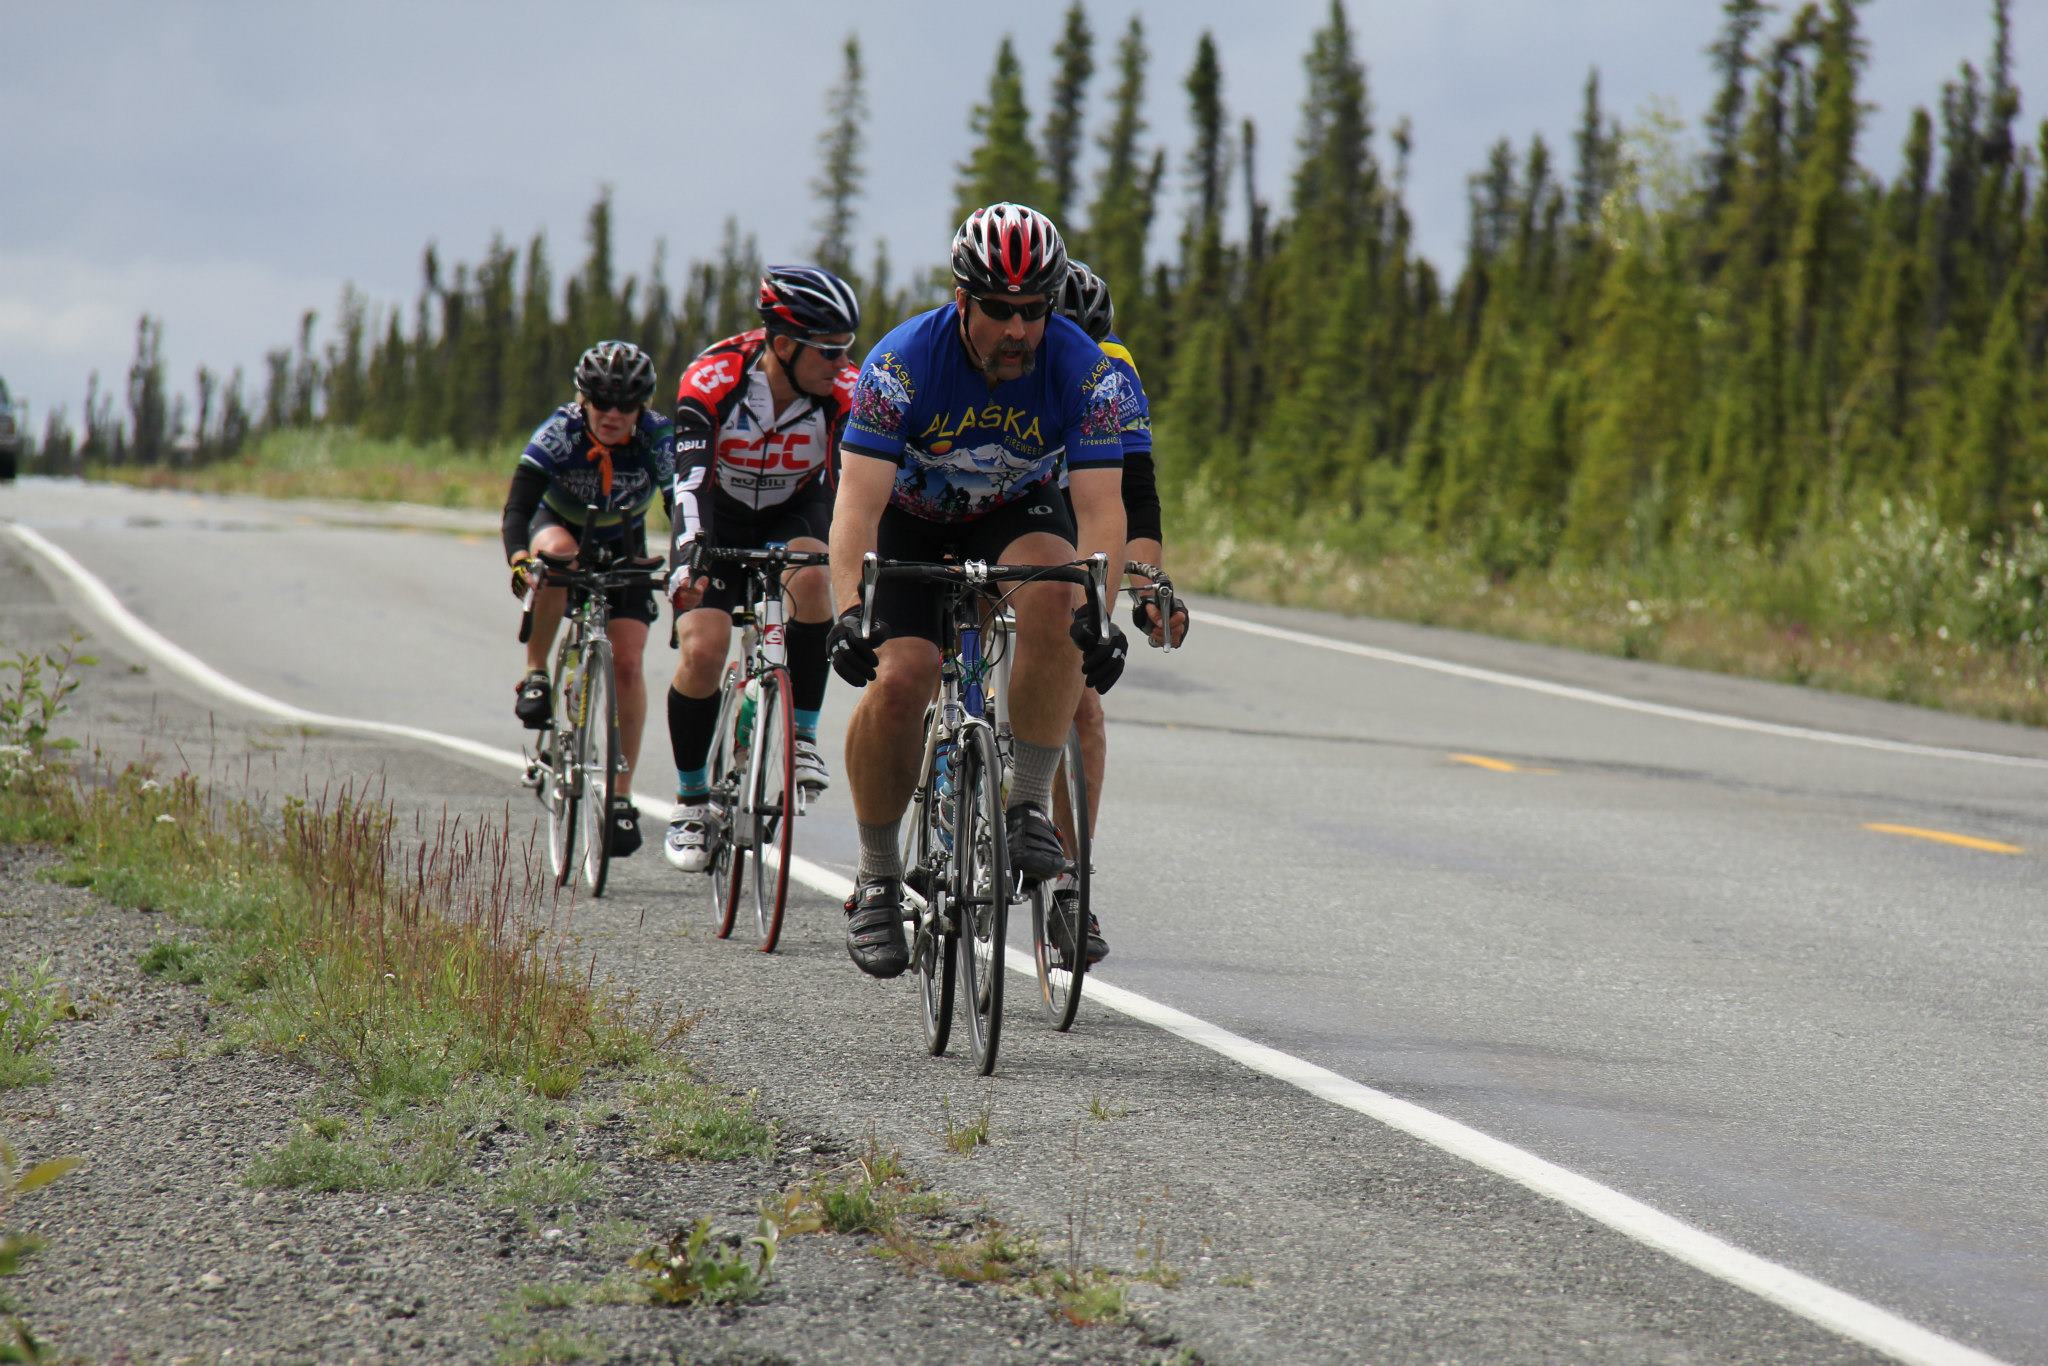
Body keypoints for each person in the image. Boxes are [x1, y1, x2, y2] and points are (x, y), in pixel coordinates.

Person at [825, 202, 1129, 979]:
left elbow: (1100, 513)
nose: (1018, 330)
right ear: (962, 300)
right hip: (910, 523)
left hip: (1011, 513)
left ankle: (1027, 805)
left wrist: (1103, 616)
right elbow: (856, 507)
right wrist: (851, 613)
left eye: (1034, 311)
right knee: (903, 678)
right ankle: (878, 877)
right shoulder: (901, 366)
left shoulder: (1086, 373)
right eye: (999, 310)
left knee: (1060, 596)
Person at [660, 267, 861, 871]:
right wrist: (690, 556)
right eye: (828, 351)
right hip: (716, 514)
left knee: (815, 575)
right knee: (703, 645)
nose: (841, 362)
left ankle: (800, 736)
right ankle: (691, 800)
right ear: (782, 345)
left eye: (847, 348)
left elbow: (852, 489)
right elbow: (690, 481)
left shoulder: (846, 392)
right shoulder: (713, 379)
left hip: (793, 509)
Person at [1048, 261, 1193, 966]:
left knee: (1081, 701)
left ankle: (1073, 882)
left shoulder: (1113, 369)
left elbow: (1138, 491)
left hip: (1084, 514)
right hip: (998, 503)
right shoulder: (1001, 355)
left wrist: (1146, 588)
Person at [503, 340, 676, 857]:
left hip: (623, 538)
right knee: (560, 556)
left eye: (627, 405)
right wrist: (518, 558)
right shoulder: (560, 433)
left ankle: (621, 797)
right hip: (557, 527)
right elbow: (518, 508)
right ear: (584, 398)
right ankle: (536, 673)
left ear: (642, 404)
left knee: (627, 662)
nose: (614, 415)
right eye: (603, 402)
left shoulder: (654, 436)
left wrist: (691, 553)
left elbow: (679, 502)